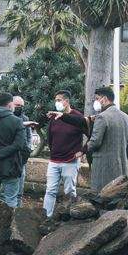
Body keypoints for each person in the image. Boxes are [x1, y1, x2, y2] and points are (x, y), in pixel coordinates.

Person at [42, 90, 89, 219]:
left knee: (69, 191)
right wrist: (53, 152)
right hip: (54, 161)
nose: (56, 103)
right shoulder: (54, 118)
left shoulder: (78, 117)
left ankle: (69, 218)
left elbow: (91, 135)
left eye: (59, 100)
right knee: (50, 190)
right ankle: (47, 217)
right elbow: (50, 137)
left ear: (66, 101)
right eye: (55, 100)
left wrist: (83, 151)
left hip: (70, 161)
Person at [85, 87, 128, 195]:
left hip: (103, 170)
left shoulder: (102, 117)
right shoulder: (126, 117)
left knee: (101, 199)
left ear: (104, 99)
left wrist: (82, 149)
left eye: (97, 99)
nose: (96, 102)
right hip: (121, 169)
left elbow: (95, 142)